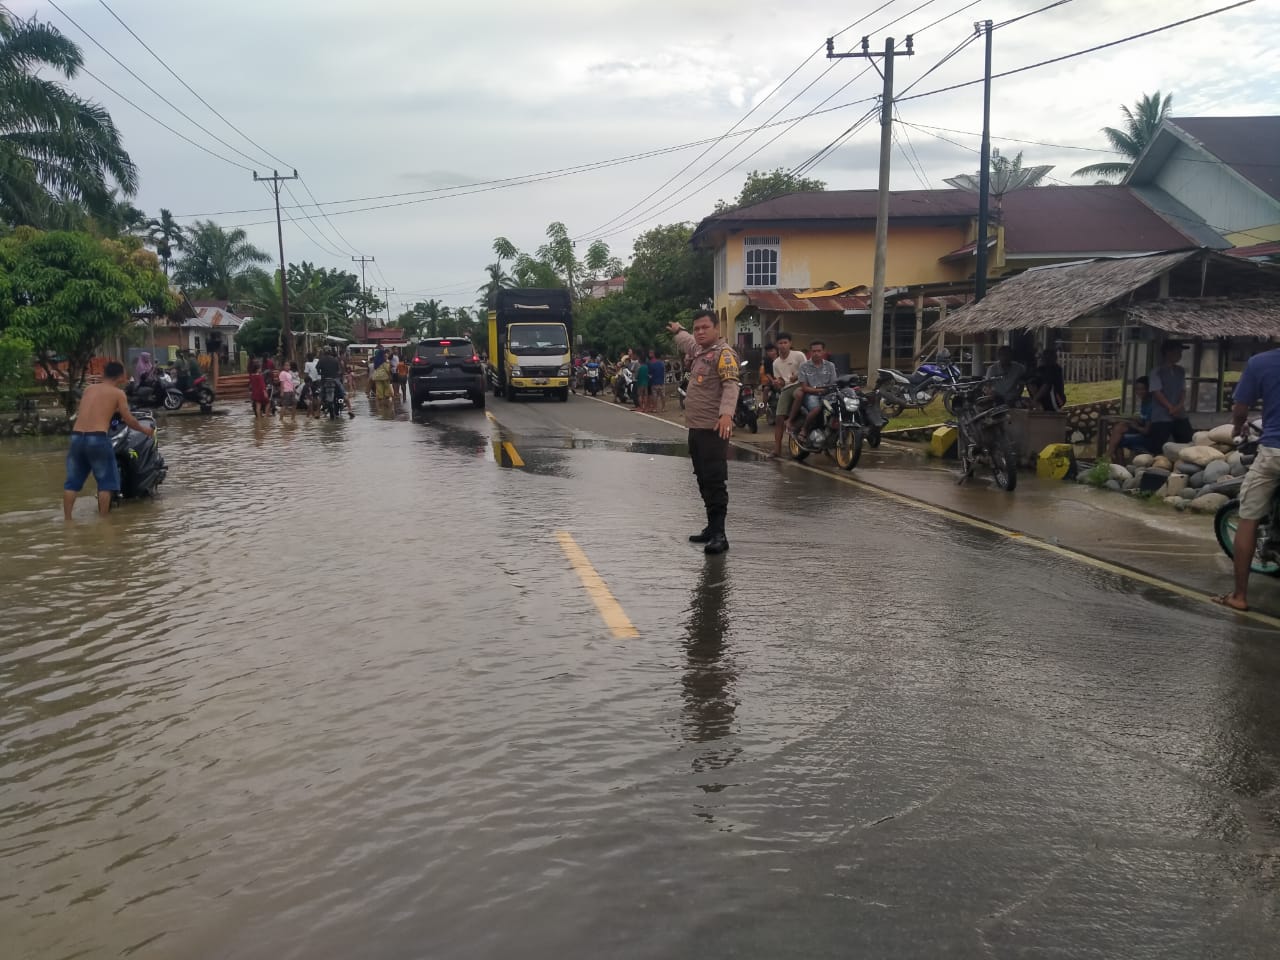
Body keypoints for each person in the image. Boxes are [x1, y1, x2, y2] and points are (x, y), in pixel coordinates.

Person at [668, 311, 740, 554]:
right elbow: (688, 341)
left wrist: (727, 414)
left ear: (717, 329)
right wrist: (679, 330)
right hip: (696, 427)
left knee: (714, 480)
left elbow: (731, 386)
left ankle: (720, 534)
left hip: (713, 428)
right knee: (702, 478)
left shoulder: (724, 354)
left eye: (705, 327)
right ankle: (711, 527)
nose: (699, 332)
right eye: (696, 328)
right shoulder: (700, 350)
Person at [1215, 346, 1280, 612]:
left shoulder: (1260, 362)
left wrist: (1237, 426)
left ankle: (1239, 596)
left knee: (1249, 517)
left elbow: (1241, 410)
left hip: (1273, 451)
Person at [63, 361, 154, 520]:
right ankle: (104, 521)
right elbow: (129, 420)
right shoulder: (118, 393)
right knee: (106, 483)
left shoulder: (89, 389)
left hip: (77, 437)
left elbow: (92, 409)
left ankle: (68, 521)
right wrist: (145, 430)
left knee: (72, 483)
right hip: (97, 438)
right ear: (120, 376)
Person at [1148, 340, 1194, 448]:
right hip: (1161, 415)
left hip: (1179, 414)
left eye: (1180, 352)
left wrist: (1179, 406)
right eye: (1177, 352)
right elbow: (1157, 392)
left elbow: (1183, 390)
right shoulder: (1157, 371)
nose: (1179, 355)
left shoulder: (1180, 371)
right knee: (1158, 445)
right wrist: (1170, 407)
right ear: (1168, 352)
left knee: (1187, 443)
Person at [769, 332, 807, 458]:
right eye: (780, 343)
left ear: (790, 344)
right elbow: (780, 381)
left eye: (785, 343)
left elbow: (807, 370)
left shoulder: (799, 355)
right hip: (786, 389)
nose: (783, 345)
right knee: (779, 417)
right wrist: (777, 383)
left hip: (800, 385)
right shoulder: (776, 363)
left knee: (799, 394)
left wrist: (797, 376)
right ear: (777, 345)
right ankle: (777, 449)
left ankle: (791, 420)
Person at [790, 340, 839, 435]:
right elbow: (804, 387)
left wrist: (827, 390)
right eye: (814, 351)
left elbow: (833, 383)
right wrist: (820, 390)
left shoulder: (830, 365)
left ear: (824, 351)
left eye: (819, 351)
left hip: (829, 395)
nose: (816, 353)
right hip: (811, 395)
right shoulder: (804, 366)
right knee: (816, 408)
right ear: (810, 352)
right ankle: (804, 429)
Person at [1105, 376, 1153, 464]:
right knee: (1120, 426)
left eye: (1143, 389)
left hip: (1148, 436)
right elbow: (1144, 420)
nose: (1139, 392)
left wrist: (1136, 426)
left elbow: (1147, 431)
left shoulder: (1151, 405)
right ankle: (1113, 459)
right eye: (1137, 389)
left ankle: (1111, 458)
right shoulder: (1145, 402)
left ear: (1149, 389)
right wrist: (1136, 419)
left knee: (1118, 439)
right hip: (1140, 428)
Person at [317, 348, 357, 418]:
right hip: (335, 379)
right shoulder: (335, 360)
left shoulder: (321, 360)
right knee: (344, 394)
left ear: (324, 353)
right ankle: (350, 410)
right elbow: (339, 370)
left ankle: (317, 413)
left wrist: (320, 373)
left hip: (324, 380)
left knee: (320, 396)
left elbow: (317, 369)